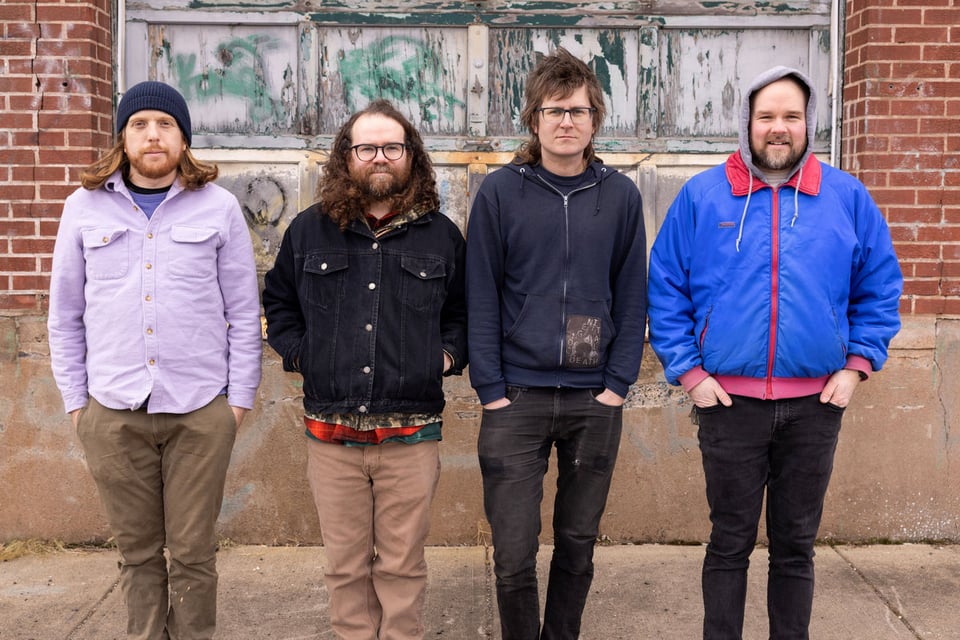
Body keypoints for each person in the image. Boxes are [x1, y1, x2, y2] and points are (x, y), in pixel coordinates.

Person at [647, 66, 903, 639]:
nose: (778, 128)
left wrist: (856, 367)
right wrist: (690, 374)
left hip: (815, 406)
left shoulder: (845, 197)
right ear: (747, 122)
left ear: (809, 123)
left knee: (795, 547)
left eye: (791, 116)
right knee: (729, 543)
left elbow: (880, 286)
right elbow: (665, 287)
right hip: (727, 404)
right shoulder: (703, 196)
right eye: (766, 116)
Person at [47, 81, 263, 639]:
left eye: (166, 124)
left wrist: (237, 403)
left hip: (199, 409)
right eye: (140, 124)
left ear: (183, 138)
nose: (152, 135)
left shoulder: (219, 208)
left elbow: (244, 312)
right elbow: (64, 315)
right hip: (113, 410)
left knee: (193, 553)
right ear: (123, 136)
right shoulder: (81, 208)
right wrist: (78, 405)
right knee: (137, 553)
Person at [261, 99, 467, 639]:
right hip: (331, 434)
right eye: (367, 147)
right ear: (346, 156)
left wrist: (444, 357)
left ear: (411, 156)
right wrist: (302, 355)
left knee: (402, 567)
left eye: (392, 147)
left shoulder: (442, 236)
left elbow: (464, 313)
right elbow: (279, 303)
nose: (379, 157)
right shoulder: (309, 231)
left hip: (411, 433)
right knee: (345, 568)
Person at [465, 48, 647, 639]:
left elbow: (632, 295)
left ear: (595, 120)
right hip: (516, 398)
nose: (566, 122)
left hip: (594, 400)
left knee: (577, 543)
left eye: (578, 111)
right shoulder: (500, 192)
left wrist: (617, 386)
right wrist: (491, 389)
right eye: (554, 111)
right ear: (533, 119)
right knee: (513, 553)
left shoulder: (620, 196)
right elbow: (480, 293)